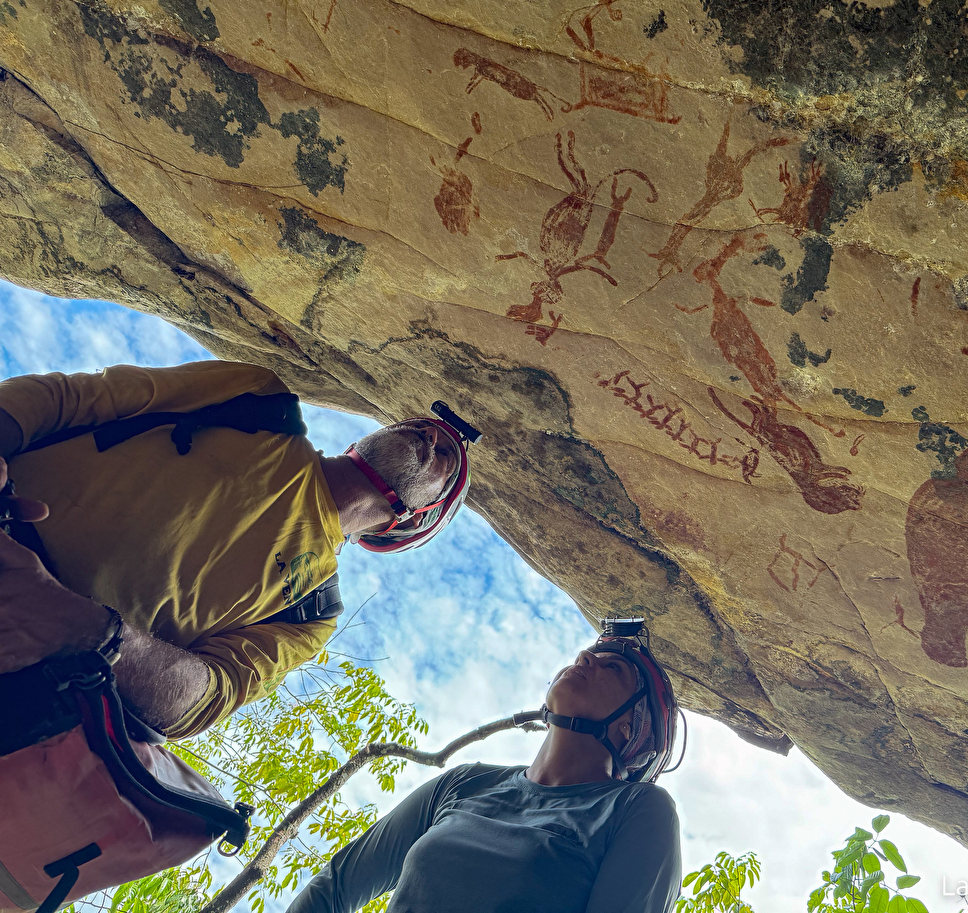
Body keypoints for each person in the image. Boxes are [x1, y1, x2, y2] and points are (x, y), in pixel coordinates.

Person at [0, 360, 477, 738]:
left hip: (28, 666)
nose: (433, 435)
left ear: (416, 518)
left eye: (447, 459)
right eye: (422, 428)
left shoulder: (309, 614)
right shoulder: (257, 399)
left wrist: (82, 629)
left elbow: (200, 702)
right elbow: (74, 399)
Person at [286, 620, 683, 913]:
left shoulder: (638, 810)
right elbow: (334, 887)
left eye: (612, 667)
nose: (583, 659)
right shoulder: (465, 782)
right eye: (589, 655)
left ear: (633, 726)